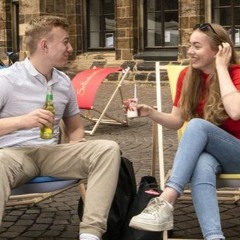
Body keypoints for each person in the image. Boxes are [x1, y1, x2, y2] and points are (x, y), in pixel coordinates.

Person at [0, 15, 121, 240]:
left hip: (51, 154)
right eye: (65, 42)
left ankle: (90, 234)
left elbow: (74, 128)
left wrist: (77, 144)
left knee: (107, 148)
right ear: (44, 45)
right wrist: (22, 121)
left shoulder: (64, 82)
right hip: (13, 156)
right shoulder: (7, 80)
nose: (71, 48)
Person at [125, 23, 240, 240]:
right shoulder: (188, 76)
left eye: (197, 46)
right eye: (190, 45)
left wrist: (222, 68)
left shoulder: (236, 74)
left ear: (217, 51)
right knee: (200, 164)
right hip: (216, 156)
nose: (190, 51)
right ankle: (214, 237)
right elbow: (177, 121)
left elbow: (235, 111)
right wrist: (150, 112)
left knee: (197, 125)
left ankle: (166, 200)